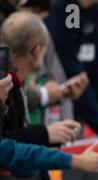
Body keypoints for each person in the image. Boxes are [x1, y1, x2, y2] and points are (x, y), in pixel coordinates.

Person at [45, 0, 98, 153]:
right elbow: (73, 72)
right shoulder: (68, 9)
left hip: (76, 114)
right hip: (55, 113)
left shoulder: (91, 11)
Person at [1, 11, 81, 146]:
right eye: (46, 47)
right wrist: (45, 134)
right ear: (36, 50)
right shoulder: (5, 85)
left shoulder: (16, 81)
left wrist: (52, 136)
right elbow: (6, 143)